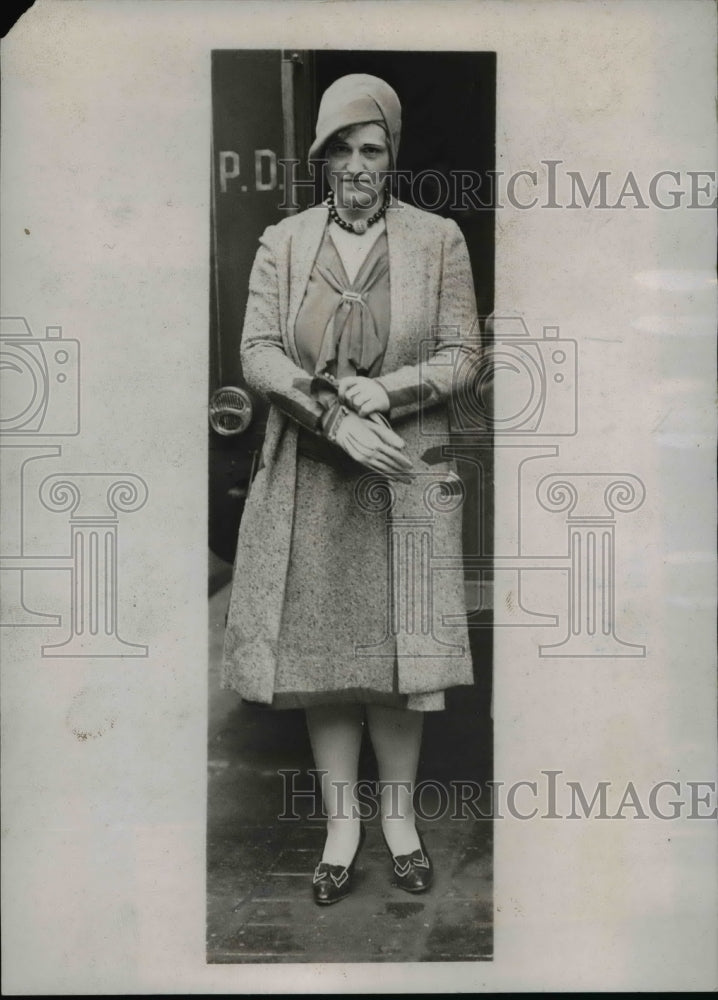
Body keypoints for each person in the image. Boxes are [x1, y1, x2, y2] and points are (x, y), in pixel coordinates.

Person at [222, 73, 480, 905]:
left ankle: (398, 821)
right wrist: (332, 415)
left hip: (401, 477)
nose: (358, 165)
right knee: (323, 660)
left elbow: (464, 356)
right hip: (312, 471)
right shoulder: (284, 241)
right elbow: (259, 353)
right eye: (342, 150)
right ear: (322, 158)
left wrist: (392, 389)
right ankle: (342, 826)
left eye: (373, 149)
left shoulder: (438, 240)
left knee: (399, 659)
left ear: (392, 156)